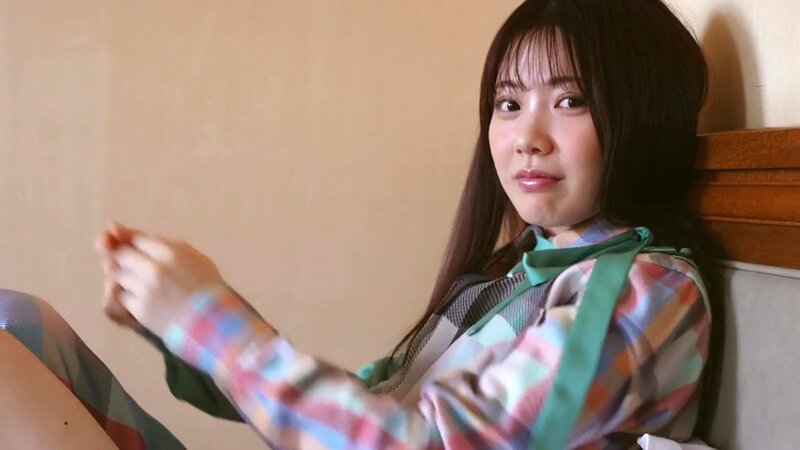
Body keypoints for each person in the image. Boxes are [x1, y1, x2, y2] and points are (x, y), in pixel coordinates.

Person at [1, 0, 723, 448]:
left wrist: (210, 322)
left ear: (642, 113)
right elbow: (358, 415)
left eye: (569, 101)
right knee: (19, 323)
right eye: (508, 103)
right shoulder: (511, 275)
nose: (526, 137)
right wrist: (179, 324)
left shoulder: (641, 291)